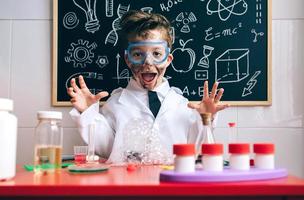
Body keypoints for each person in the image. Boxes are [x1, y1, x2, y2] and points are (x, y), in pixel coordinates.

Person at [68, 10, 229, 164]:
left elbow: (196, 149)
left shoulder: (183, 105)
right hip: (129, 186)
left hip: (173, 186)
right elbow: (105, 148)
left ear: (168, 59)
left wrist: (206, 118)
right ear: (128, 59)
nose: (148, 62)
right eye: (138, 54)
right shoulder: (116, 104)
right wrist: (87, 112)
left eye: (157, 54)